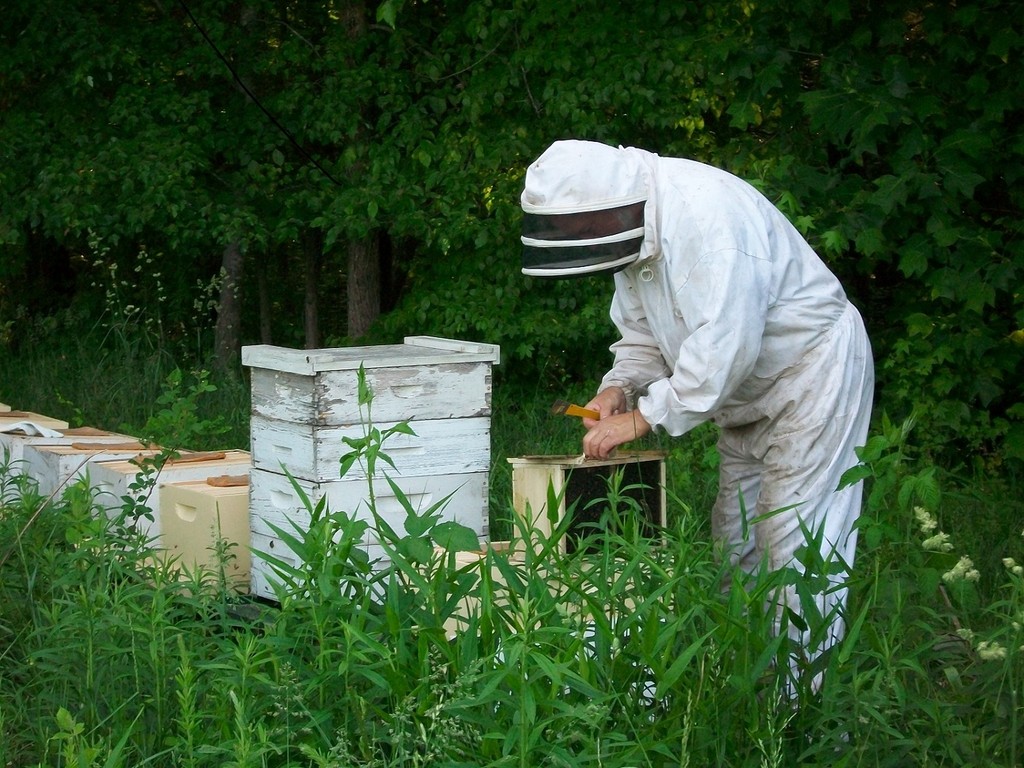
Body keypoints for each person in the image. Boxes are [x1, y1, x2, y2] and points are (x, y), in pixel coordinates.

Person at [520, 138, 874, 683]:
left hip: (811, 375)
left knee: (795, 543)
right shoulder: (637, 237)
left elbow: (725, 348)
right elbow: (642, 334)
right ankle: (746, 695)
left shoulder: (709, 221)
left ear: (610, 208)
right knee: (735, 544)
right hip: (744, 395)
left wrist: (640, 419)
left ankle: (802, 717)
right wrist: (619, 388)